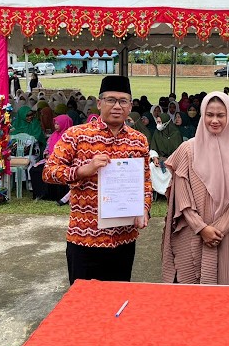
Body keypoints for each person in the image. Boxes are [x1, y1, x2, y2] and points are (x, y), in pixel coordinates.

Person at [43, 75, 153, 284]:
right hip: (85, 238)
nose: (117, 106)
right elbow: (49, 172)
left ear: (130, 106)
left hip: (124, 239)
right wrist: (84, 170)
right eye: (111, 100)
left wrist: (144, 209)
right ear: (100, 103)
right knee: (84, 306)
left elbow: (145, 181)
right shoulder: (76, 135)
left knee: (117, 303)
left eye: (123, 101)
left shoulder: (138, 140)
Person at [162, 91, 229, 284]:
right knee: (190, 296)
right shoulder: (188, 150)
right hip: (193, 231)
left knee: (227, 292)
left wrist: (217, 230)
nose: (215, 120)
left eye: (221, 115)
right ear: (203, 115)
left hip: (228, 232)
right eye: (210, 114)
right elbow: (182, 196)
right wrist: (201, 228)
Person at [30, 115, 73, 202]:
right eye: (55, 124)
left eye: (58, 124)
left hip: (65, 161)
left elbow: (71, 151)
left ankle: (59, 196)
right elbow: (47, 148)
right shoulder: (53, 135)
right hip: (50, 159)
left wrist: (58, 157)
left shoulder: (70, 137)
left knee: (59, 171)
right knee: (34, 169)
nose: (56, 126)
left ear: (64, 124)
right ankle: (42, 194)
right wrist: (47, 155)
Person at [149, 113, 183, 195]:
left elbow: (178, 151)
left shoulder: (176, 133)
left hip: (172, 161)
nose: (158, 124)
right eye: (157, 122)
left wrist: (169, 161)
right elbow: (153, 148)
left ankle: (170, 191)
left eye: (160, 122)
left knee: (172, 170)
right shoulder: (157, 133)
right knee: (151, 167)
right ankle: (157, 191)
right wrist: (155, 158)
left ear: (166, 122)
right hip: (160, 160)